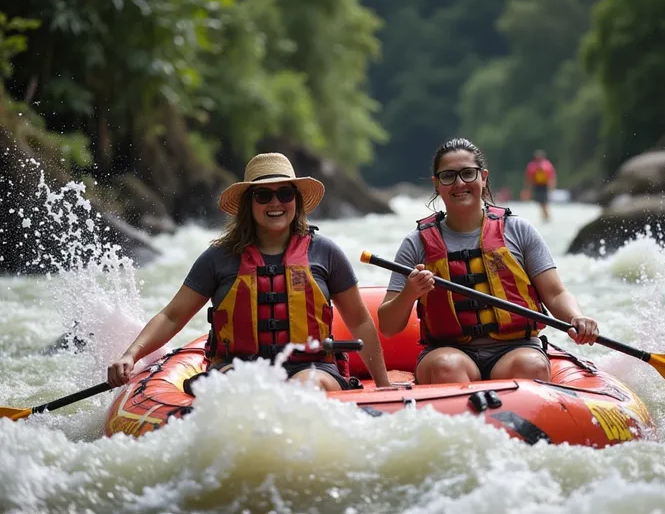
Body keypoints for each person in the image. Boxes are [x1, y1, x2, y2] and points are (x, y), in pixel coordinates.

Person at [108, 153, 391, 391]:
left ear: (297, 200)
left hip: (311, 366)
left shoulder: (325, 252)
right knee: (240, 389)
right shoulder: (218, 258)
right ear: (249, 204)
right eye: (263, 195)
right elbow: (172, 315)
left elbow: (359, 321)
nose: (275, 203)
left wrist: (382, 384)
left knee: (307, 386)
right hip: (239, 368)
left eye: (285, 193)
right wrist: (131, 355)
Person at [377, 138, 598, 385]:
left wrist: (576, 317)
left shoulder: (519, 230)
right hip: (448, 351)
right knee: (447, 368)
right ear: (436, 183)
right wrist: (410, 292)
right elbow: (387, 326)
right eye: (448, 176)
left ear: (483, 177)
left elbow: (555, 293)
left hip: (515, 348)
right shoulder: (416, 243)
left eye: (468, 174)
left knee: (531, 366)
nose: (459, 183)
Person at [522, 150, 556, 222]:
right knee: (541, 202)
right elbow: (529, 178)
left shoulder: (544, 165)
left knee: (543, 201)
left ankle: (546, 216)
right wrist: (528, 189)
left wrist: (551, 187)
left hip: (544, 185)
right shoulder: (539, 165)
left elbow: (551, 177)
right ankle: (545, 216)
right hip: (538, 185)